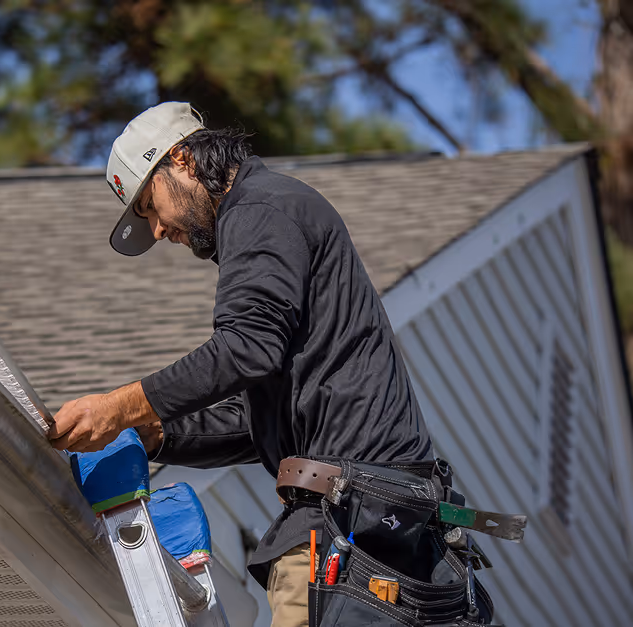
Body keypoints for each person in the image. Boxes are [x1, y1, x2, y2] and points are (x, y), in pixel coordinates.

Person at [48, 102, 433, 626]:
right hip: (379, 519)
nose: (158, 230)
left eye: (149, 206)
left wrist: (119, 406)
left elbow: (246, 348)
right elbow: (255, 419)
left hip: (348, 521)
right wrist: (153, 432)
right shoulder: (274, 211)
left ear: (181, 159)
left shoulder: (260, 208)